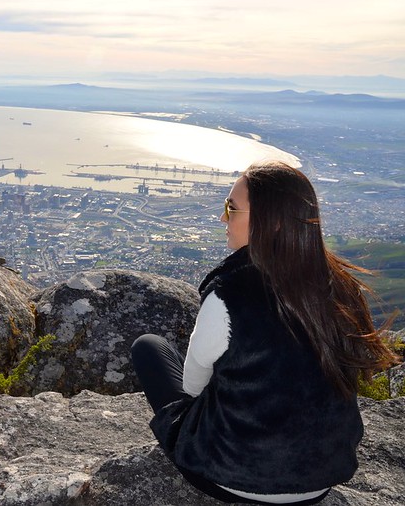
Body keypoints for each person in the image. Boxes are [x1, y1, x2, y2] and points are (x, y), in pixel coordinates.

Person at [131, 161, 398, 504]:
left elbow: (193, 387)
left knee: (149, 347)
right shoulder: (342, 287)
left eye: (232, 208)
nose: (222, 219)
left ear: (269, 223)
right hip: (320, 479)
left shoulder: (228, 296)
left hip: (233, 478)